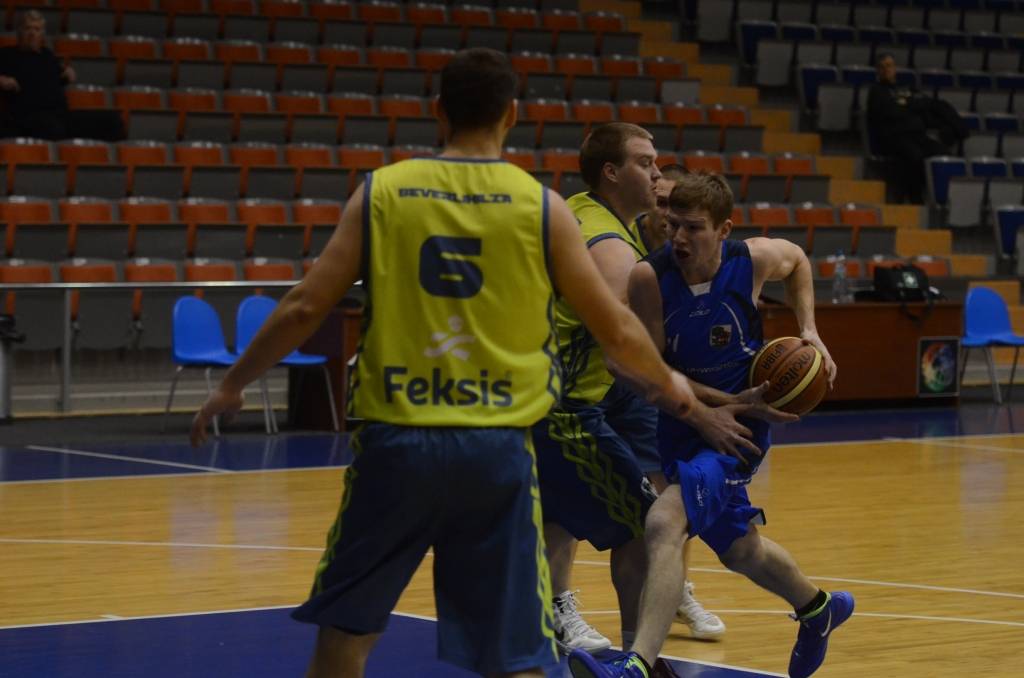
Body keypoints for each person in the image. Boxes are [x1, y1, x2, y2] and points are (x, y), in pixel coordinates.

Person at [190, 49, 757, 678]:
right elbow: (619, 330)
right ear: (512, 115)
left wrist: (233, 385)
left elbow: (303, 306)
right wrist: (683, 398)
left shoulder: (385, 191)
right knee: (516, 655)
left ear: (438, 111)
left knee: (346, 637)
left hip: (398, 441)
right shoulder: (540, 206)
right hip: (495, 449)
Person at [568, 172, 852, 678]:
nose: (679, 237)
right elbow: (654, 369)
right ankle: (818, 608)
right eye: (673, 224)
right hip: (683, 423)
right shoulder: (648, 278)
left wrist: (808, 328)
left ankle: (637, 666)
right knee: (741, 550)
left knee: (663, 521)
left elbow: (799, 261)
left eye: (694, 227)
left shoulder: (752, 260)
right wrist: (718, 402)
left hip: (739, 431)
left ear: (724, 230)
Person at [532, 126, 722, 654]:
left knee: (568, 509)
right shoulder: (610, 245)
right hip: (564, 404)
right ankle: (639, 656)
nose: (658, 174)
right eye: (646, 163)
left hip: (557, 394)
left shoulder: (590, 212)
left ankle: (553, 613)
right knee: (646, 524)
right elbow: (627, 352)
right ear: (612, 172)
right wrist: (704, 407)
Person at [0, 10, 124, 141]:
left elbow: (63, 75)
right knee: (51, 127)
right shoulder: (7, 54)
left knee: (112, 121)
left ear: (42, 34)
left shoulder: (48, 55)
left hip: (61, 115)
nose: (32, 33)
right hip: (28, 116)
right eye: (28, 28)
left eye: (37, 29)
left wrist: (69, 73)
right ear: (19, 31)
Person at [866, 52, 967, 204]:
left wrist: (908, 105)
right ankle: (915, 197)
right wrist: (911, 105)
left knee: (943, 154)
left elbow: (926, 103)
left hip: (917, 135)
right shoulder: (876, 91)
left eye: (889, 66)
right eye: (882, 67)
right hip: (893, 137)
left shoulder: (907, 88)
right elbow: (890, 112)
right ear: (878, 71)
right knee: (915, 156)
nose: (886, 69)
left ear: (895, 68)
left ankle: (942, 198)